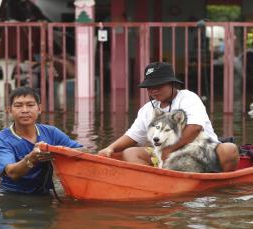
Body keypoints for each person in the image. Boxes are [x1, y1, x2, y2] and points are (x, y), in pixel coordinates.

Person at [98, 62, 239, 171]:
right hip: (164, 155)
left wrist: (169, 150)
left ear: (172, 83)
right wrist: (110, 148)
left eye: (158, 85)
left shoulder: (188, 97)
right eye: (150, 86)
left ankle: (216, 180)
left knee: (230, 149)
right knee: (130, 153)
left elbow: (195, 127)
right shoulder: (147, 109)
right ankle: (154, 183)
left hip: (200, 150)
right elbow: (133, 136)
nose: (154, 90)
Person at [0, 87, 82, 194]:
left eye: (30, 105)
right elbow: (12, 173)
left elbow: (81, 151)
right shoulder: (0, 139)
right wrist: (31, 159)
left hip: (46, 193)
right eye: (18, 106)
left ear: (39, 108)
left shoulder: (51, 132)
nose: (25, 110)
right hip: (12, 195)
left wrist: (62, 150)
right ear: (9, 110)